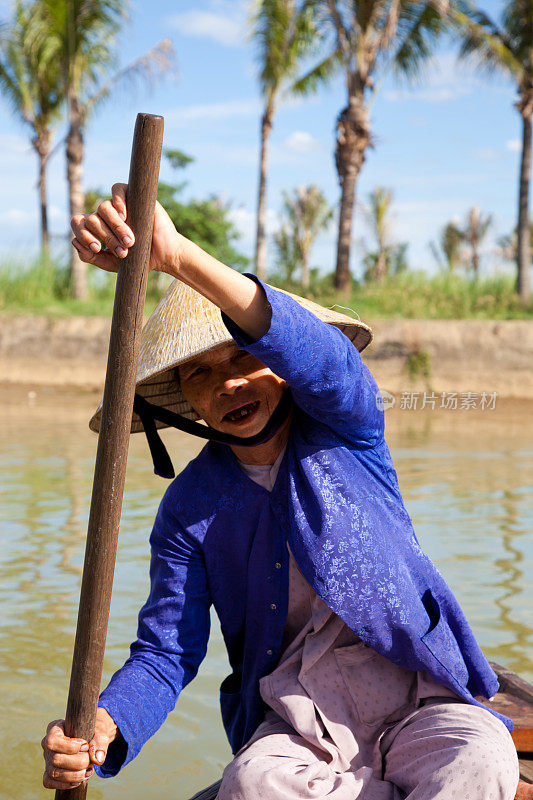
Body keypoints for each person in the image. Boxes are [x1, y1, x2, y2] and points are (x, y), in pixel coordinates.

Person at [42, 184, 521, 799]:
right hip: (300, 717)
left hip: (417, 692)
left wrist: (177, 255)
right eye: (201, 372)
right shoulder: (188, 510)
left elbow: (328, 364)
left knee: (481, 757)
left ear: (283, 368)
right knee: (253, 781)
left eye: (244, 357)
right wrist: (100, 729)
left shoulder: (347, 429)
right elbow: (166, 653)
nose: (230, 384)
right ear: (186, 398)